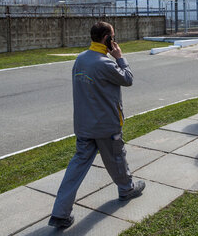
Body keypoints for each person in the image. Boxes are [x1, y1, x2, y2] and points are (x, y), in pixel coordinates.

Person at [48, 22, 145, 229]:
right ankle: (127, 188)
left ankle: (60, 212)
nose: (115, 40)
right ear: (107, 39)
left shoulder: (81, 59)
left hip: (84, 126)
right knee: (117, 159)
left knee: (76, 168)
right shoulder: (105, 63)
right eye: (113, 37)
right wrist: (119, 57)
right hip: (106, 126)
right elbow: (128, 79)